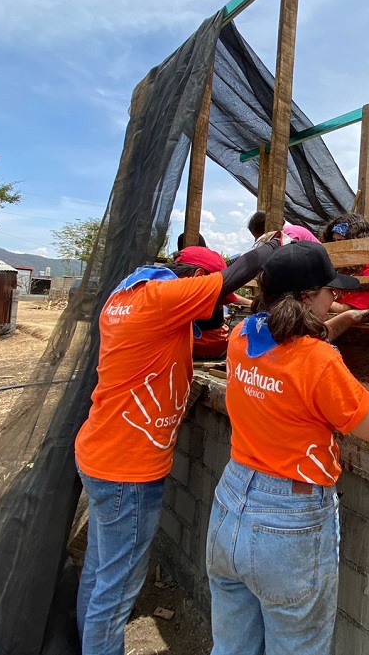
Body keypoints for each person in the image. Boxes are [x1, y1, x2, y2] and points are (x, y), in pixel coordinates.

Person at [73, 237, 281, 655]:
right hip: (127, 471)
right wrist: (266, 249)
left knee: (99, 574)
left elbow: (207, 332)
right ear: (197, 280)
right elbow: (238, 272)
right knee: (115, 596)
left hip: (101, 452)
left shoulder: (131, 293)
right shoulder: (166, 296)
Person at [206, 241, 369, 655]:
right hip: (288, 523)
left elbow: (289, 342)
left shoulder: (242, 335)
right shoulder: (319, 361)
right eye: (329, 291)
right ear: (305, 298)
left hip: (230, 504)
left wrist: (345, 320)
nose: (336, 297)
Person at [320, 212, 369, 312]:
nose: (336, 246)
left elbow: (347, 311)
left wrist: (311, 299)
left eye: (341, 241)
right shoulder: (340, 266)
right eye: (333, 241)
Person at [247, 209, 321, 244]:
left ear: (268, 231)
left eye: (262, 238)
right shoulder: (283, 235)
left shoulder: (289, 235)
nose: (262, 240)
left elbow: (291, 253)